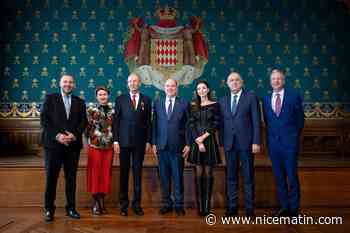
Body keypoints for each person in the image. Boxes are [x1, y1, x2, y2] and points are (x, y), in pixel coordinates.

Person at [40, 74, 87, 222]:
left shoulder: (80, 102)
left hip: (72, 146)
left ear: (74, 85)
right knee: (51, 178)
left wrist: (74, 135)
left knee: (71, 179)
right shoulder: (50, 98)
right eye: (65, 82)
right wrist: (58, 136)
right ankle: (49, 209)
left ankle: (71, 208)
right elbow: (44, 120)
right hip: (53, 145)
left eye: (70, 82)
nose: (68, 84)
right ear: (60, 84)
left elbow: (83, 122)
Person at [262, 69, 304, 217]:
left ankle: (294, 210)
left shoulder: (294, 96)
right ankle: (284, 208)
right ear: (270, 81)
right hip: (274, 145)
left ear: (283, 80)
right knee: (279, 177)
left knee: (292, 177)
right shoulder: (266, 98)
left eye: (279, 79)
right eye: (273, 79)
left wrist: (292, 137)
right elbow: (268, 122)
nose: (276, 81)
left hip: (290, 144)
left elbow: (300, 121)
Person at [219, 72, 261, 217]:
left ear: (242, 82)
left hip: (247, 144)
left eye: (237, 79)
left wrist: (256, 141)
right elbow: (222, 125)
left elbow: (256, 122)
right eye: (231, 80)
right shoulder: (223, 100)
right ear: (227, 83)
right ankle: (232, 207)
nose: (234, 82)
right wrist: (221, 143)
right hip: (229, 145)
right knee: (231, 177)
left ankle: (249, 209)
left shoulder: (251, 97)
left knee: (248, 176)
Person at [112, 73, 152, 216]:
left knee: (137, 173)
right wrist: (115, 140)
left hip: (140, 143)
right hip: (123, 142)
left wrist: (148, 140)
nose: (133, 83)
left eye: (135, 81)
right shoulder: (120, 99)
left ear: (139, 83)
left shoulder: (146, 100)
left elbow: (148, 123)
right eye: (130, 81)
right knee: (124, 173)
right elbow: (116, 121)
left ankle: (137, 204)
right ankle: (123, 205)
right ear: (127, 83)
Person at [152, 79, 190, 216]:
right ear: (164, 88)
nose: (170, 88)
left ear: (177, 88)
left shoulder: (184, 103)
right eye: (167, 85)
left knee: (178, 177)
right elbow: (154, 124)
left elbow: (188, 126)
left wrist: (188, 143)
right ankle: (167, 204)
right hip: (161, 147)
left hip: (178, 147)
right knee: (164, 177)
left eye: (172, 85)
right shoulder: (157, 103)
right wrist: (154, 143)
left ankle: (179, 205)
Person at [187, 80, 221, 216]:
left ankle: (207, 207)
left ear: (208, 90)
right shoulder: (193, 105)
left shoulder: (215, 105)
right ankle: (200, 207)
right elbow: (191, 124)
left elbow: (216, 123)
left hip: (210, 142)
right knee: (198, 173)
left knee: (208, 173)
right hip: (197, 142)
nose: (201, 90)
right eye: (198, 89)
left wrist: (203, 138)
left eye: (203, 88)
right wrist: (198, 140)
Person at [86, 86, 114, 215]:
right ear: (97, 97)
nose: (103, 96)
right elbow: (86, 129)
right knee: (95, 173)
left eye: (105, 94)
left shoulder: (113, 111)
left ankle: (102, 200)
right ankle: (96, 202)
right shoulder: (91, 110)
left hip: (108, 147)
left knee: (105, 173)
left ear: (108, 95)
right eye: (100, 95)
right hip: (95, 147)